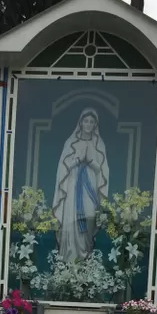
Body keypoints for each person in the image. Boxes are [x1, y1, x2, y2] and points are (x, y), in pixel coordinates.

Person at [52, 108, 109, 262]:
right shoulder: (70, 143)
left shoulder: (98, 144)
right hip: (72, 187)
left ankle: (86, 258)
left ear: (95, 124)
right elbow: (62, 169)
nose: (88, 124)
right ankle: (69, 259)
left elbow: (102, 171)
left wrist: (90, 160)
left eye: (92, 122)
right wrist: (77, 160)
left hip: (90, 188)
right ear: (81, 123)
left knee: (89, 217)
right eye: (86, 121)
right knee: (71, 221)